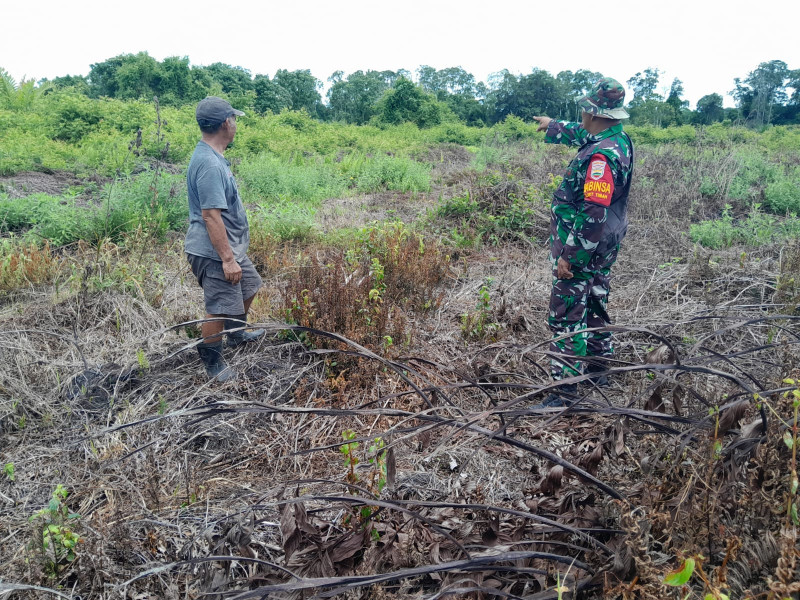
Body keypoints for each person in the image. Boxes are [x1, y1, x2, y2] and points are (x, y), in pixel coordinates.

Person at [532, 78, 634, 407]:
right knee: (595, 299)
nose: (583, 116)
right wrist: (553, 126)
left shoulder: (601, 158)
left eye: (585, 111)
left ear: (595, 112)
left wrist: (570, 257)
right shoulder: (618, 139)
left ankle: (564, 392)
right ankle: (599, 366)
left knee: (566, 314)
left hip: (584, 246)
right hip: (605, 243)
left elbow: (592, 211)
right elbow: (583, 132)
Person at [185, 96, 265, 381]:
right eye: (233, 119)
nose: (235, 124)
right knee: (218, 307)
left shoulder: (214, 156)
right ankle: (212, 363)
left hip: (229, 247)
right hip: (215, 252)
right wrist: (228, 259)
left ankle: (236, 334)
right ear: (225, 123)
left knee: (250, 285)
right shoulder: (209, 164)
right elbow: (210, 216)